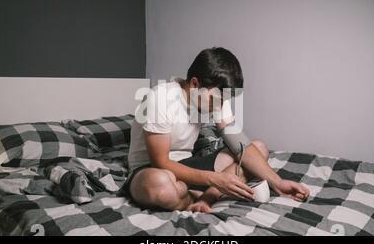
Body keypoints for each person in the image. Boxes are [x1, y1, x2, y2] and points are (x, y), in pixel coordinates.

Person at [125, 47, 310, 212]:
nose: (220, 105)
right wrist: (214, 179)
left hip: (188, 164)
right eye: (216, 100)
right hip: (150, 170)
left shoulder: (217, 97)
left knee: (258, 148)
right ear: (195, 84)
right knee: (161, 185)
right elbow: (161, 163)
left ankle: (207, 197)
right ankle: (194, 196)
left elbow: (240, 145)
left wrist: (278, 183)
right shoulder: (160, 97)